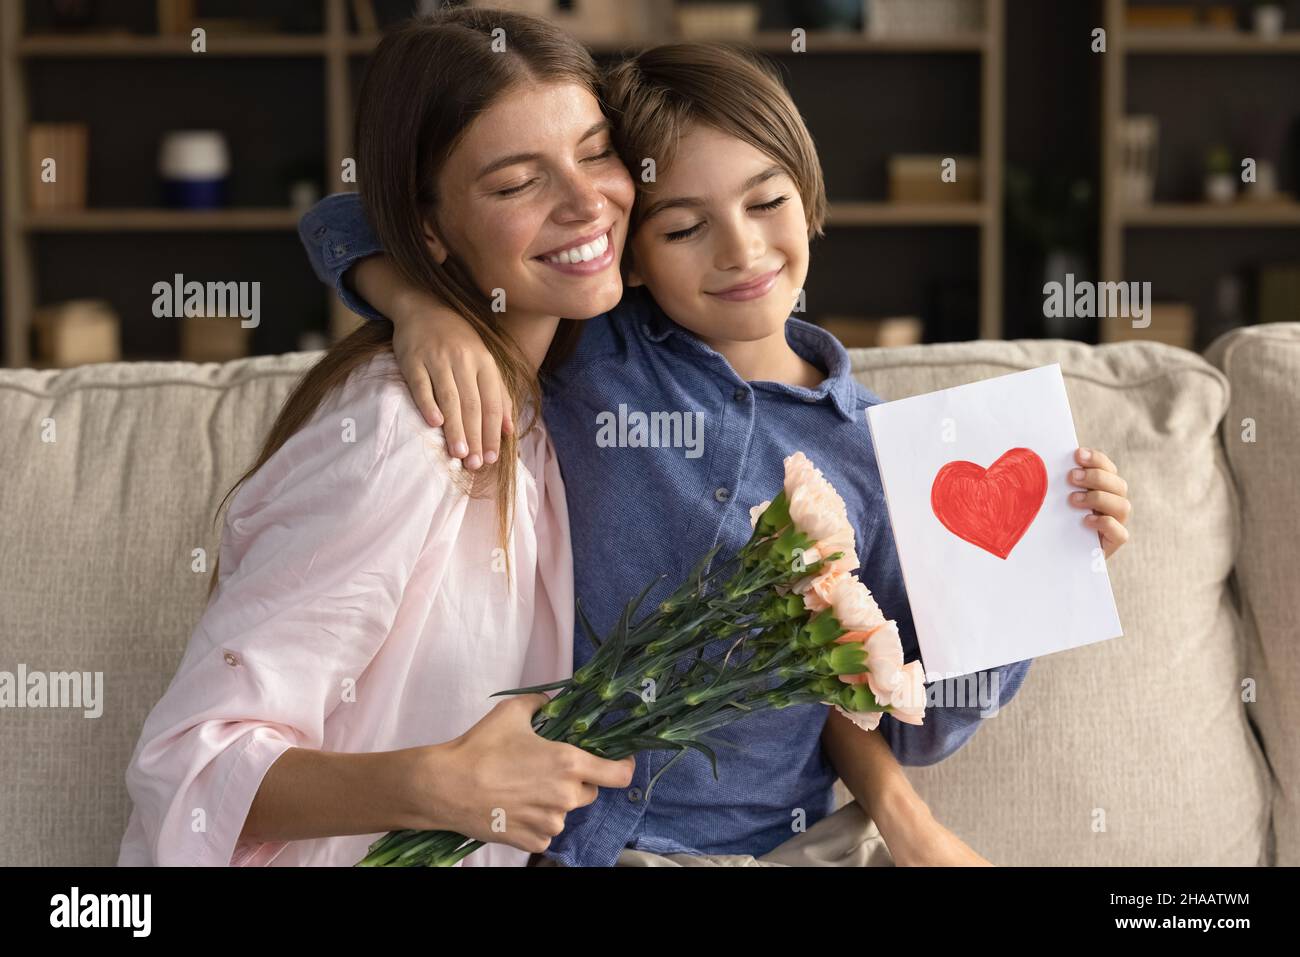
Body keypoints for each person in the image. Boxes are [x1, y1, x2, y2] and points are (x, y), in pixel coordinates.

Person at [298, 29, 1136, 867]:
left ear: (808, 198)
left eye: (766, 204)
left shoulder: (886, 455)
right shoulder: (594, 345)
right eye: (685, 227)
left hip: (778, 847)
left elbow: (908, 723)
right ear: (628, 254)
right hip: (572, 842)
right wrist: (417, 305)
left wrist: (1028, 574)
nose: (740, 250)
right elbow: (341, 218)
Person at [117, 7, 639, 867]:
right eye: (516, 184)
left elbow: (341, 218)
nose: (587, 203)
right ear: (428, 230)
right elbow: (188, 764)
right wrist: (438, 783)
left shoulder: (554, 400)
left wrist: (411, 295)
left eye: (595, 152)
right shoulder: (406, 434)